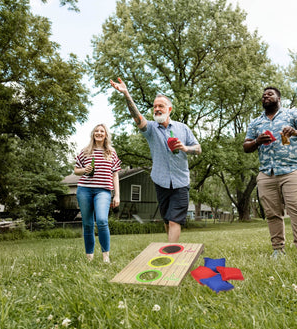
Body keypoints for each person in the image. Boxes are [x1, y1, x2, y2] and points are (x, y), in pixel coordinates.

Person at [110, 77, 201, 243]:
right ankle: (170, 246)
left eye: (161, 106)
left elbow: (198, 148)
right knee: (167, 219)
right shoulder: (151, 129)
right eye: (155, 106)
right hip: (161, 181)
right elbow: (137, 117)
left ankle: (171, 252)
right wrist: (126, 94)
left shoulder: (183, 128)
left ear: (169, 109)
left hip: (181, 181)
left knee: (175, 220)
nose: (157, 109)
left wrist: (186, 148)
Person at [243, 87, 297, 258]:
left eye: (270, 94)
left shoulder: (293, 115)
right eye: (263, 95)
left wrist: (295, 131)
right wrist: (257, 141)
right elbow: (246, 146)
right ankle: (278, 249)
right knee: (271, 213)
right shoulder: (256, 122)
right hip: (266, 173)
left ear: (278, 98)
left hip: (293, 169)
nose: (265, 96)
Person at [74, 123, 121, 263]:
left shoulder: (111, 152)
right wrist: (84, 170)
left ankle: (106, 256)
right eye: (96, 131)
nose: (99, 133)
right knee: (87, 224)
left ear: (106, 134)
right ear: (93, 134)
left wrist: (117, 194)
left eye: (102, 131)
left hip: (103, 191)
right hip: (85, 190)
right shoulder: (85, 151)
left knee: (101, 220)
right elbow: (76, 170)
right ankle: (90, 257)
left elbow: (115, 175)